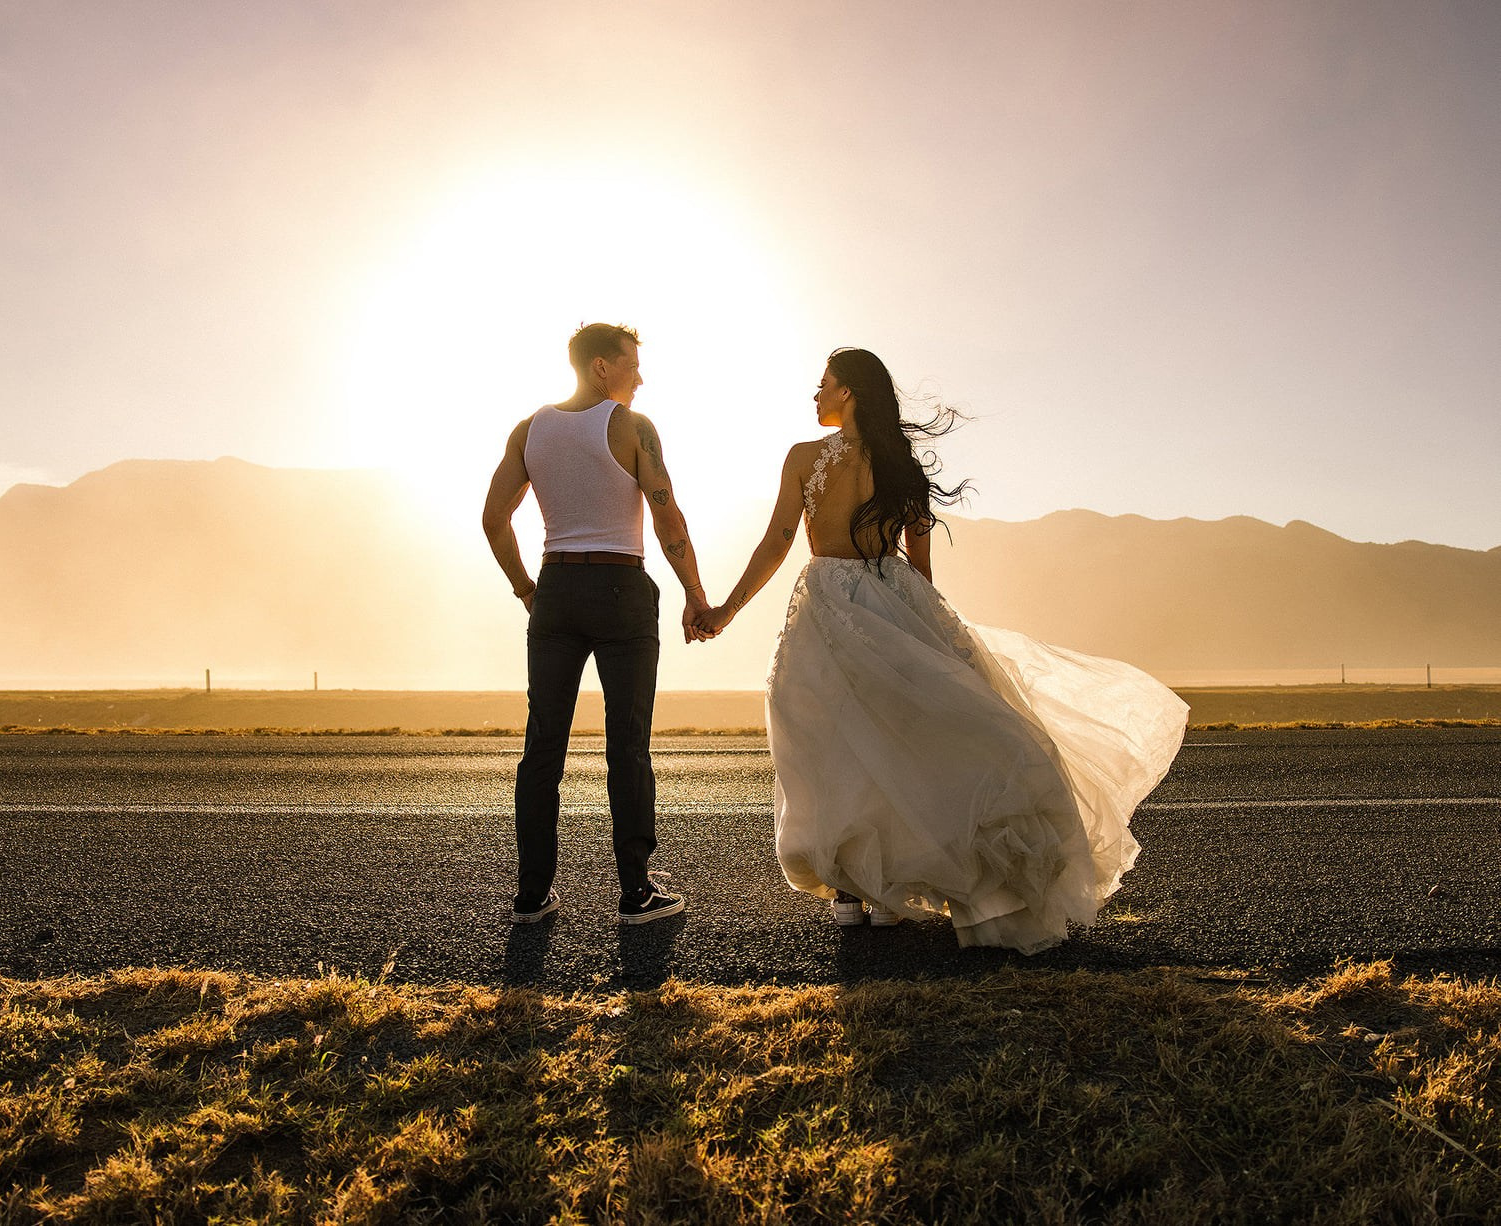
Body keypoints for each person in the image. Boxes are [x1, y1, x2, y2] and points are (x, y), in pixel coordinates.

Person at [691, 347, 1187, 953]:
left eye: (823, 385)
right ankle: (887, 890)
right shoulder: (904, 467)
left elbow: (778, 540)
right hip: (893, 597)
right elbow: (921, 568)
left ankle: (856, 891)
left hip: (825, 602)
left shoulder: (803, 458)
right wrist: (931, 635)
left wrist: (726, 608)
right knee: (907, 736)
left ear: (848, 392)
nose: (815, 396)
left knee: (830, 739)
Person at [482, 323, 712, 926]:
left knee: (543, 746)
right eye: (633, 364)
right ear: (603, 367)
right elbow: (667, 516)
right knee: (627, 744)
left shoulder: (529, 428)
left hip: (556, 588)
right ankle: (636, 892)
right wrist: (695, 593)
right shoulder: (633, 427)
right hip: (620, 589)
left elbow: (493, 519)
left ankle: (531, 894)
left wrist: (528, 589)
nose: (641, 376)